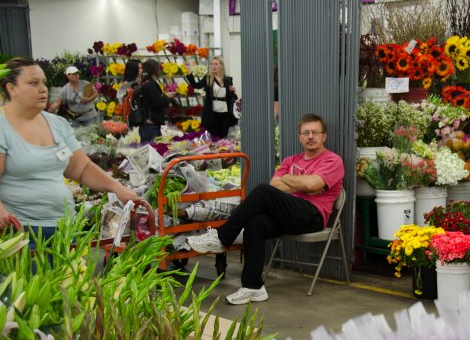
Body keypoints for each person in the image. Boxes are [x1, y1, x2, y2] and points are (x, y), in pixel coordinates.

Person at [0, 57, 139, 241]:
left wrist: (117, 188)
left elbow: (82, 169)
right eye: (33, 83)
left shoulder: (57, 124)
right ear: (12, 89)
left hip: (64, 229)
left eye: (43, 82)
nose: (43, 89)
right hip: (21, 234)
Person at [188, 114, 344, 305]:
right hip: (288, 215)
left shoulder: (332, 160)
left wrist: (295, 182)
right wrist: (302, 185)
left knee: (262, 191)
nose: (310, 136)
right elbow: (276, 185)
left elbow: (312, 185)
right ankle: (253, 287)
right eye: (306, 133)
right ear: (299, 137)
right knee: (256, 223)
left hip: (312, 216)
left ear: (324, 136)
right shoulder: (290, 160)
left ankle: (222, 237)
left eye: (315, 132)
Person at [185, 56, 238, 139]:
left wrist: (232, 91)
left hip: (225, 114)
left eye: (216, 64)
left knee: (224, 138)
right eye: (212, 64)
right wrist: (189, 72)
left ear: (221, 66)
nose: (213, 66)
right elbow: (196, 85)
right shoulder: (208, 78)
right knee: (213, 138)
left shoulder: (228, 79)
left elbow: (231, 97)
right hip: (212, 114)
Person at [137, 58, 176, 144]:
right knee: (152, 152)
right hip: (151, 126)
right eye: (158, 68)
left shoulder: (145, 83)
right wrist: (166, 97)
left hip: (148, 124)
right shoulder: (151, 85)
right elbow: (158, 103)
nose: (160, 70)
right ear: (154, 70)